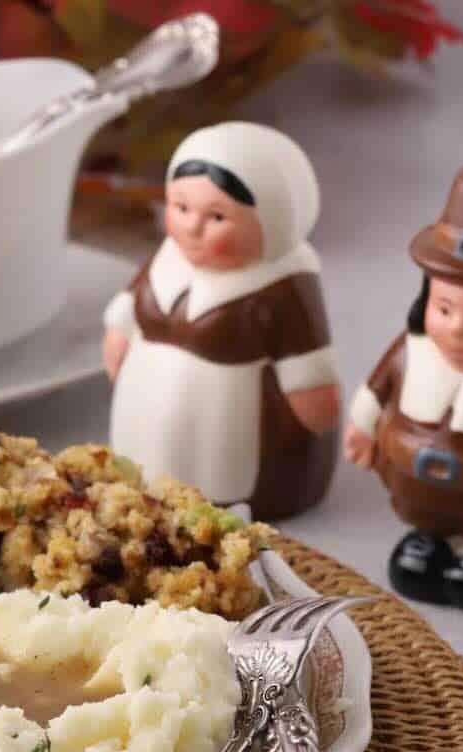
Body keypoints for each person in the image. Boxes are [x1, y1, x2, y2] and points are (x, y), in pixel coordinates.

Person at [103, 122, 340, 520]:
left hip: (229, 435)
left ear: (272, 220)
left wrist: (314, 401)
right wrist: (119, 335)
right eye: (181, 208)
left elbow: (308, 370)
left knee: (218, 488)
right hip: (144, 428)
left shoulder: (283, 283)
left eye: (217, 217)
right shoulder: (169, 257)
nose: (192, 228)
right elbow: (131, 306)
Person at [344, 167, 463, 608]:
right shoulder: (410, 351)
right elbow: (376, 391)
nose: (458, 330)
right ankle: (428, 541)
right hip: (414, 483)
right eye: (446, 309)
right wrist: (361, 430)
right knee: (416, 564)